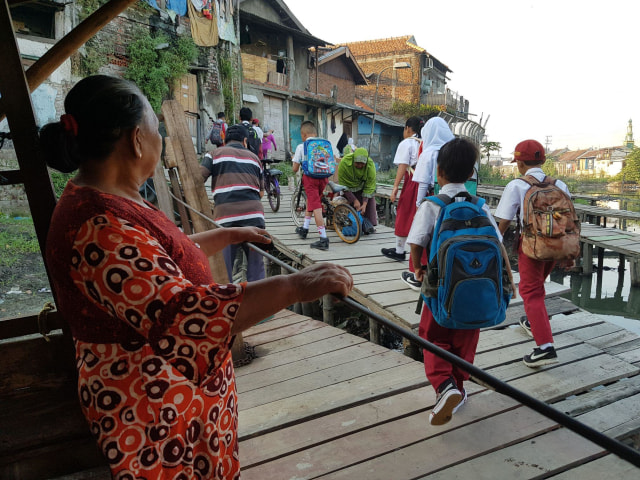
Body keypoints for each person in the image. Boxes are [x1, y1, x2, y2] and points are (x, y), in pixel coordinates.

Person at [41, 75, 354, 479]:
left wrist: (224, 235)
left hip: (178, 400)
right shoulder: (97, 226)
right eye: (158, 129)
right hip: (152, 409)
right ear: (137, 139)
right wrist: (296, 285)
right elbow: (183, 317)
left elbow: (156, 259)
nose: (162, 140)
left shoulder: (112, 201)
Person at [408, 137, 501, 426]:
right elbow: (496, 242)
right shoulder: (481, 206)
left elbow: (416, 241)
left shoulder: (433, 204)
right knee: (466, 340)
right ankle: (458, 387)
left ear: (439, 171)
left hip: (439, 288)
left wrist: (418, 268)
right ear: (471, 172)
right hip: (476, 292)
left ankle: (444, 385)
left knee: (433, 337)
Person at [495, 139, 571, 367]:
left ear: (519, 162)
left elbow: (505, 220)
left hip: (531, 246)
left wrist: (496, 240)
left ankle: (545, 347)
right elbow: (569, 219)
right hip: (556, 246)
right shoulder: (560, 185)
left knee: (530, 292)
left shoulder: (516, 185)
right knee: (539, 286)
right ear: (543, 160)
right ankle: (532, 321)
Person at [200, 123, 266, 283]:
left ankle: (227, 302)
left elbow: (197, 178)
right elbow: (261, 192)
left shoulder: (214, 154)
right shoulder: (255, 159)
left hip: (225, 219)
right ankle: (257, 304)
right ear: (245, 141)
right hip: (255, 219)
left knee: (224, 269)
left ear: (224, 139)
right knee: (256, 270)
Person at [380, 117, 423, 280]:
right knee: (416, 216)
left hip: (413, 182)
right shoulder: (424, 142)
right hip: (425, 182)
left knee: (404, 213)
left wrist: (395, 187)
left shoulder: (407, 143)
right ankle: (401, 251)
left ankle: (400, 251)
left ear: (407, 129)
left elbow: (403, 166)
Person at [292, 121, 330, 250]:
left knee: (316, 206)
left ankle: (323, 238)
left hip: (311, 179)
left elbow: (295, 169)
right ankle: (305, 228)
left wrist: (296, 161)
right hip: (324, 178)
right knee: (312, 201)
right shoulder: (323, 144)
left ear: (303, 135)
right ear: (315, 133)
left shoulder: (301, 146)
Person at [413, 117, 455, 204]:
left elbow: (423, 184)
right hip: (455, 198)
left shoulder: (428, 153)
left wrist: (418, 205)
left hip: (435, 199)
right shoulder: (455, 151)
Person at [337, 146, 378, 230]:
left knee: (367, 206)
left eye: (362, 164)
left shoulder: (370, 166)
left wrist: (364, 204)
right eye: (357, 163)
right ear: (353, 160)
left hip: (363, 189)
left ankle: (367, 226)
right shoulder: (344, 163)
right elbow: (343, 184)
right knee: (348, 208)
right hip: (348, 190)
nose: (360, 166)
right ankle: (348, 226)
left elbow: (369, 185)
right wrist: (354, 200)